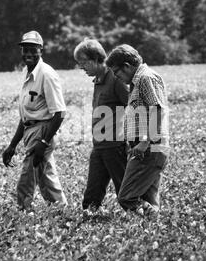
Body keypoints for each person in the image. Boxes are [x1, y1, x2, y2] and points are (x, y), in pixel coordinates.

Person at [2, 30, 68, 211]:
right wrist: (12, 145)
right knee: (46, 176)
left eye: (33, 49)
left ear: (41, 50)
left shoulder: (47, 74)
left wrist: (44, 142)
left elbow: (59, 113)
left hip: (43, 132)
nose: (28, 54)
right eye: (25, 49)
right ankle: (60, 210)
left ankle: (23, 211)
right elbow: (26, 117)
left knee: (26, 178)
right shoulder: (27, 72)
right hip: (31, 132)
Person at [105, 44, 170, 218]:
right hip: (147, 147)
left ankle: (152, 220)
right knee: (148, 197)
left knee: (126, 197)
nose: (117, 77)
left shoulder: (145, 78)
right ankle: (153, 230)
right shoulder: (138, 81)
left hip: (150, 147)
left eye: (117, 72)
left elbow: (157, 109)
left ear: (126, 66)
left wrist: (144, 141)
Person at [73, 39, 129, 215]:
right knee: (92, 194)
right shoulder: (97, 80)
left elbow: (133, 106)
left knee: (125, 192)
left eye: (83, 62)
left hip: (114, 145)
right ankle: (90, 215)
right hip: (99, 145)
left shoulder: (115, 78)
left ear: (96, 58)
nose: (81, 67)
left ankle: (140, 218)